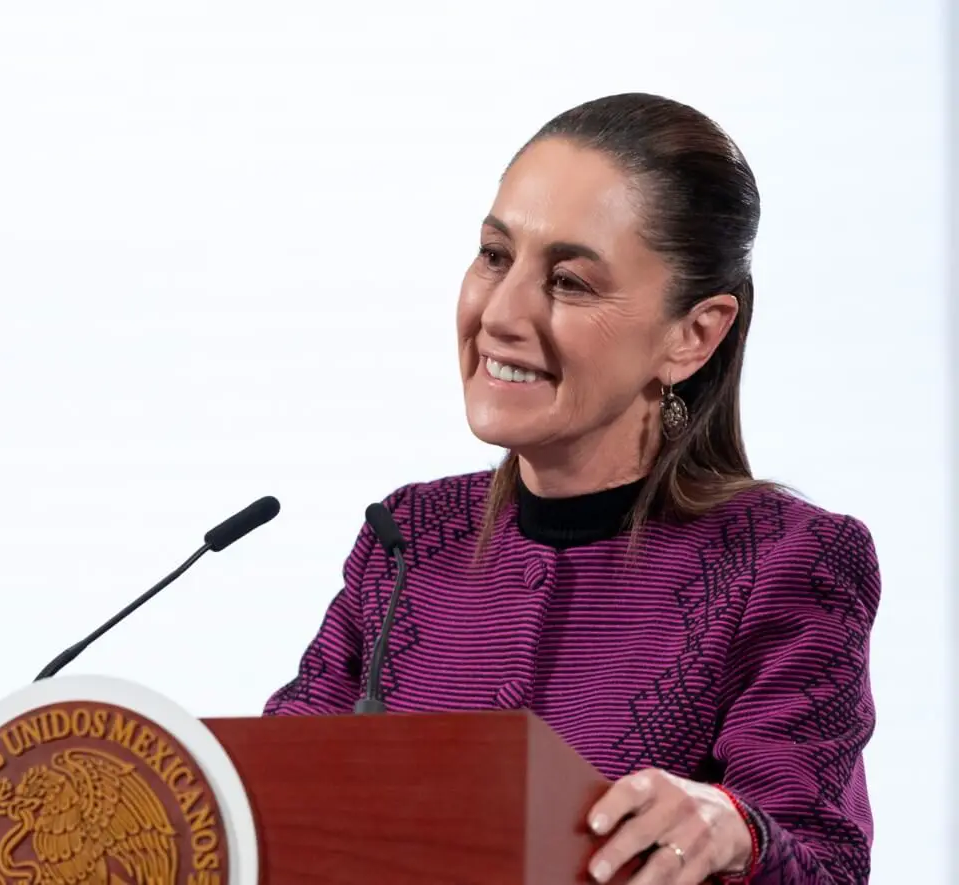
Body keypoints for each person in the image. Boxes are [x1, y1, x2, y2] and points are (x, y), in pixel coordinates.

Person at [263, 93, 877, 884]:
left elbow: (823, 863)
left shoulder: (791, 562)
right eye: (494, 256)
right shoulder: (409, 538)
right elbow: (269, 798)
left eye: (570, 282)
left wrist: (739, 834)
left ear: (694, 334)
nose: (503, 314)